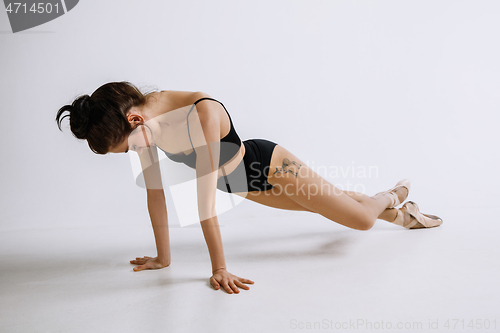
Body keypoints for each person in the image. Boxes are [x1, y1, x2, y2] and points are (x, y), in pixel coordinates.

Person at [55, 81, 443, 294]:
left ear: (135, 119)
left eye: (129, 147)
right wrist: (163, 257)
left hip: (270, 165)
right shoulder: (144, 130)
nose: (135, 153)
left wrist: (220, 268)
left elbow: (203, 202)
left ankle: (390, 196)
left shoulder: (198, 114)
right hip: (240, 186)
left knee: (359, 221)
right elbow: (155, 193)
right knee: (332, 204)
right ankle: (403, 213)